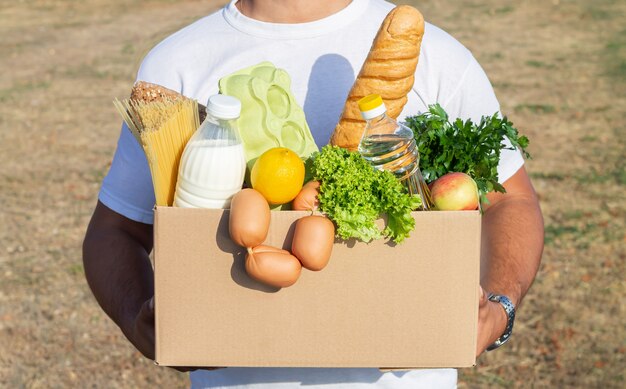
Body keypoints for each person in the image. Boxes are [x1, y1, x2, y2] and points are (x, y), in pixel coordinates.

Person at [82, 0, 544, 387]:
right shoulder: (177, 63)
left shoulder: (439, 57)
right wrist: (136, 318)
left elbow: (511, 201)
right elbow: (115, 230)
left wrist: (499, 308)